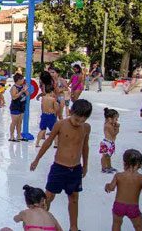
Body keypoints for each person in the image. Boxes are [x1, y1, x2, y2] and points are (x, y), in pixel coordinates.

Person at [30, 99, 92, 231]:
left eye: (83, 120)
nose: (79, 122)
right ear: (70, 112)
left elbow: (85, 147)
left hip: (75, 169)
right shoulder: (60, 125)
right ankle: (43, 223)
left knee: (74, 198)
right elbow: (47, 142)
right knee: (48, 198)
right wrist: (37, 159)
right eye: (77, 119)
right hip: (59, 168)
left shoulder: (86, 128)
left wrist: (85, 165)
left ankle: (74, 227)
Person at [105, 149, 142, 231]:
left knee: (117, 224)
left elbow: (111, 188)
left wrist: (107, 186)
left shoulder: (118, 176)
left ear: (124, 163)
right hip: (133, 207)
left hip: (119, 205)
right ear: (140, 164)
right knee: (138, 226)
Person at [9, 73, 28, 142]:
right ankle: (11, 136)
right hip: (15, 106)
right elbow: (14, 97)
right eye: (22, 79)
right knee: (14, 122)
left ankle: (19, 135)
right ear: (18, 80)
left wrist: (25, 90)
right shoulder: (14, 87)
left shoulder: (22, 86)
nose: (23, 80)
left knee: (20, 122)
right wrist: (21, 91)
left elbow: (28, 95)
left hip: (22, 106)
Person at [100, 108, 120, 173]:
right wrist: (117, 128)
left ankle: (109, 167)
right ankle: (103, 168)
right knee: (105, 156)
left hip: (110, 143)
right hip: (107, 143)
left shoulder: (109, 123)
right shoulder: (108, 125)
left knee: (108, 156)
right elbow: (113, 134)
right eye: (116, 119)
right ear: (109, 119)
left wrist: (114, 125)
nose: (117, 120)